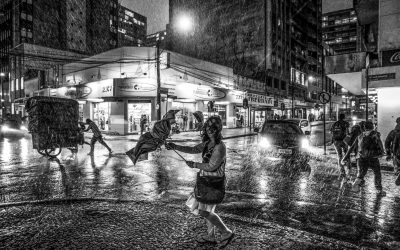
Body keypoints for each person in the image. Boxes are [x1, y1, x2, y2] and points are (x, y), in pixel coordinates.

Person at [166, 116, 234, 247]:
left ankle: (226, 232)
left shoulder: (220, 147)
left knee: (204, 211)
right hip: (205, 181)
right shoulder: (208, 143)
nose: (210, 130)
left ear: (218, 129)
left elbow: (212, 166)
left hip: (213, 183)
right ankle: (211, 236)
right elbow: (193, 149)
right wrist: (174, 146)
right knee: (208, 210)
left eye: (213, 128)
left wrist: (195, 165)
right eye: (208, 127)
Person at [342, 121, 385, 196]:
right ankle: (378, 189)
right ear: (372, 127)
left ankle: (357, 182)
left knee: (361, 174)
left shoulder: (360, 136)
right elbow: (379, 144)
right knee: (377, 172)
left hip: (361, 158)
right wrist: (382, 152)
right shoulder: (375, 134)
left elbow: (351, 148)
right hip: (373, 158)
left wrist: (344, 158)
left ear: (364, 128)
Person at [330, 113, 350, 178]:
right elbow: (348, 132)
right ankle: (348, 168)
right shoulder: (346, 123)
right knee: (346, 154)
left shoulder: (335, 123)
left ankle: (342, 171)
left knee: (339, 155)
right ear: (344, 117)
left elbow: (331, 132)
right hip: (344, 141)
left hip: (336, 141)